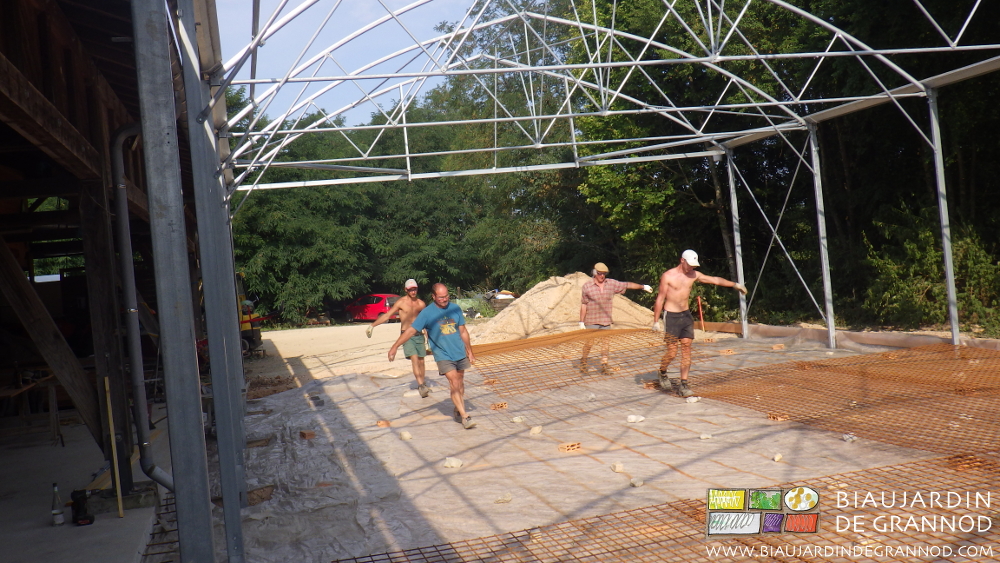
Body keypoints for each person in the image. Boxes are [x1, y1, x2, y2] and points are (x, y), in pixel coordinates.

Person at [652, 249, 747, 397]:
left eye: (693, 265)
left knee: (686, 347)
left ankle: (684, 384)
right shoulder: (668, 276)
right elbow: (660, 298)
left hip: (686, 315)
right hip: (671, 316)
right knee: (672, 352)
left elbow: (714, 280)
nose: (691, 267)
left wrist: (735, 285)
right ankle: (662, 371)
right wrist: (655, 321)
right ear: (682, 260)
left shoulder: (693, 275)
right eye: (689, 264)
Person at [389, 283, 478, 429]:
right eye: (441, 297)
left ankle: (458, 408)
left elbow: (463, 331)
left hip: (459, 351)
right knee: (454, 382)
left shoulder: (455, 308)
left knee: (460, 382)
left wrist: (470, 351)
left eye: (446, 296)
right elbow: (411, 331)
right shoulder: (427, 313)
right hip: (443, 354)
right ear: (433, 296)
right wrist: (395, 346)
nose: (444, 299)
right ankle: (465, 416)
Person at [578, 262, 652, 372]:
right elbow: (584, 304)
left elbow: (627, 285)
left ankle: (604, 365)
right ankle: (584, 362)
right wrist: (581, 321)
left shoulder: (611, 284)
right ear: (595, 273)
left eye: (604, 274)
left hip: (605, 320)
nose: (602, 276)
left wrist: (643, 287)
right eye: (599, 273)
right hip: (592, 319)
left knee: (606, 343)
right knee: (589, 343)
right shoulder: (587, 286)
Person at [367, 279, 430, 397]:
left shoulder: (421, 304)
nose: (413, 292)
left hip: (418, 334)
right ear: (406, 290)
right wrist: (372, 326)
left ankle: (423, 383)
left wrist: (429, 337)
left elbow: (425, 321)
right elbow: (387, 315)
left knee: (421, 361)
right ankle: (421, 385)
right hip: (406, 335)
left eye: (415, 289)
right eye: (410, 290)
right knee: (414, 359)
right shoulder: (401, 302)